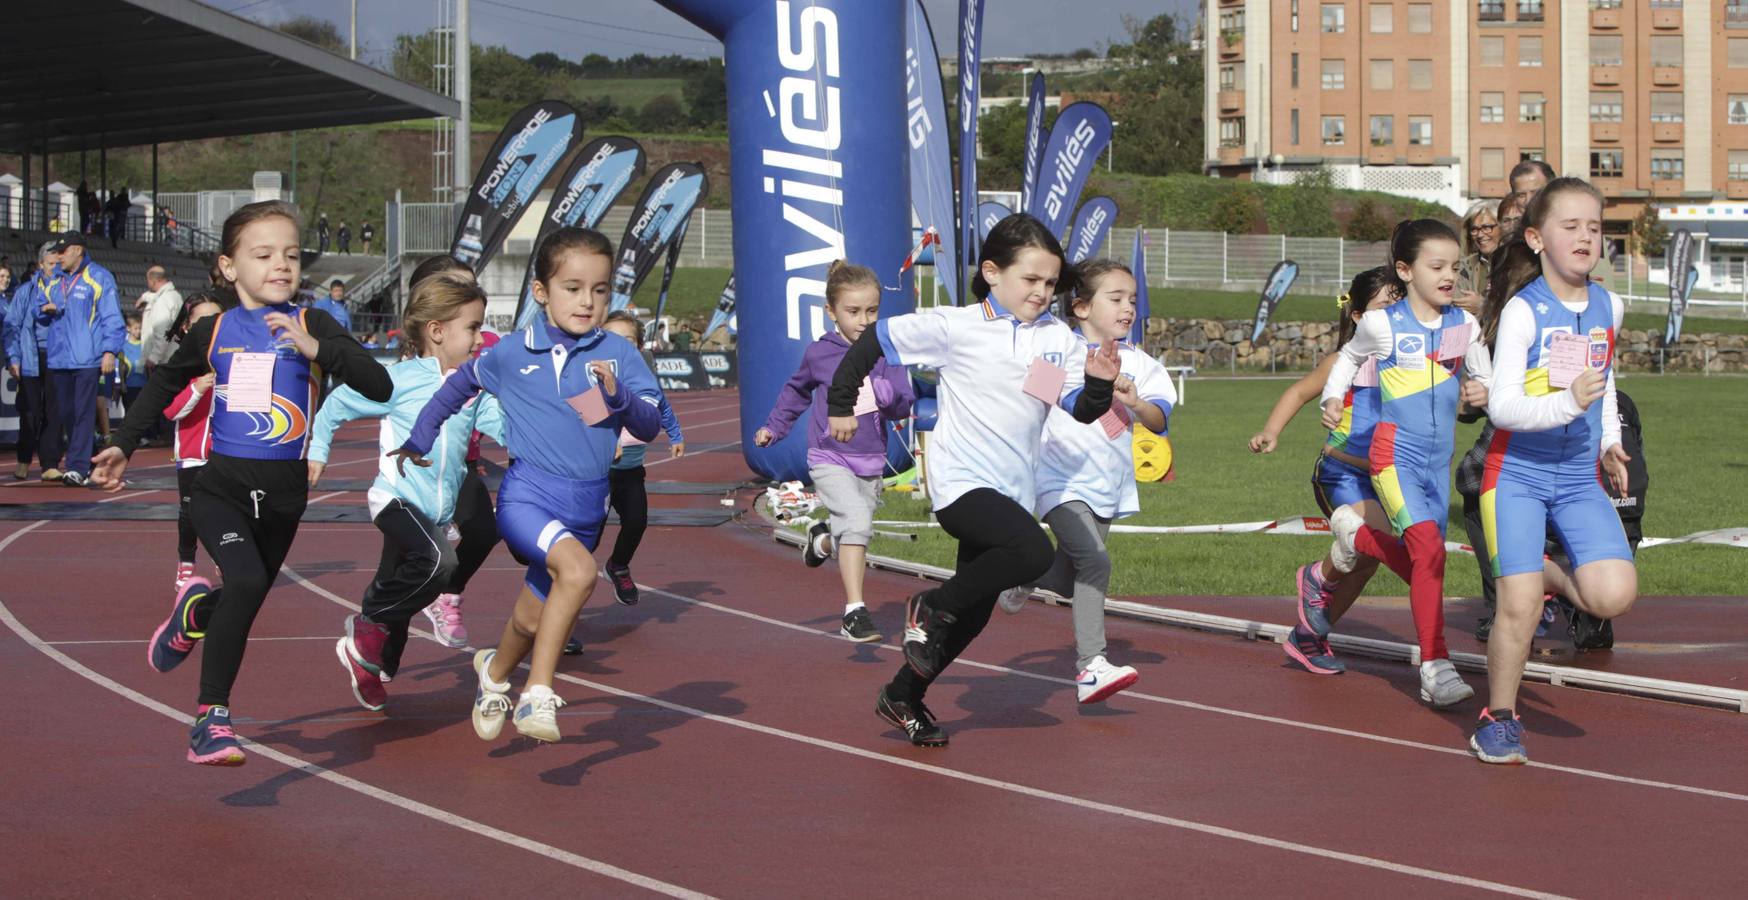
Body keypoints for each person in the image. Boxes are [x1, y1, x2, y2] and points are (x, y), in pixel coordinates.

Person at [92, 200, 393, 767]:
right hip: (219, 487)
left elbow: (379, 386)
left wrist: (318, 351)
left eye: (291, 255)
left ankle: (195, 616)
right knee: (249, 578)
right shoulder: (213, 330)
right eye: (263, 255)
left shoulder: (315, 323)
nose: (281, 264)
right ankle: (211, 720)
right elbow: (160, 389)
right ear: (229, 267)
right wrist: (123, 444)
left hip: (284, 495)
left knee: (243, 596)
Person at [826, 213, 1120, 747]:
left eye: (1051, 284)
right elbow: (874, 343)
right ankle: (929, 607)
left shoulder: (1050, 341)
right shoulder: (956, 328)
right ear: (991, 272)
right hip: (962, 486)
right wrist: (840, 403)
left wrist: (1098, 385)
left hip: (1012, 493)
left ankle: (902, 695)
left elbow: (1075, 406)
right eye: (1030, 280)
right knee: (1032, 554)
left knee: (974, 619)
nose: (1042, 292)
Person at [390, 227, 661, 745]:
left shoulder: (618, 355)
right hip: (528, 497)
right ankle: (537, 689)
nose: (587, 301)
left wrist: (618, 396)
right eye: (573, 287)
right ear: (542, 291)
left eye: (600, 290)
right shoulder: (511, 353)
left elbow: (647, 424)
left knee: (531, 618)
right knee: (579, 573)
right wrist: (420, 438)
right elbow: (457, 388)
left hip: (587, 508)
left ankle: (494, 674)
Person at [1469, 177, 1638, 765]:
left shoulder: (1609, 305)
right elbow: (1503, 407)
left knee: (1614, 594)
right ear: (1538, 239)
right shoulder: (1522, 311)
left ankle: (1538, 572)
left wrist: (1610, 442)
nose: (1585, 237)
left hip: (1576, 475)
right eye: (1571, 227)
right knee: (1517, 608)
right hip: (1516, 473)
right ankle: (1500, 717)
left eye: (1594, 227)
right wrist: (1569, 403)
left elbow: (1606, 379)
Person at [1319, 220, 1492, 710]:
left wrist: (1484, 392)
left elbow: (1486, 379)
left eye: (1455, 267)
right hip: (1393, 456)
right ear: (1405, 270)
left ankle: (1357, 535)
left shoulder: (1466, 325)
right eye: (1436, 266)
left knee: (1425, 559)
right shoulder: (1382, 323)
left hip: (1439, 464)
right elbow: (1347, 360)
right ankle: (1435, 665)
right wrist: (1332, 399)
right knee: (1428, 552)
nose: (1448, 276)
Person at [311, 273, 504, 711]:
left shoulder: (472, 387)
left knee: (409, 587)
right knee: (440, 561)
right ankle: (366, 626)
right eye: (472, 328)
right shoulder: (399, 380)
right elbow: (338, 404)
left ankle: (371, 664)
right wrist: (317, 450)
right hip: (396, 499)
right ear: (437, 331)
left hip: (437, 511)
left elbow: (507, 428)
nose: (480, 338)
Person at [998, 258, 1175, 704]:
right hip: (1056, 479)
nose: (1127, 308)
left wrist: (1136, 403)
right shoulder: (1057, 352)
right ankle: (1091, 666)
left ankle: (1023, 576)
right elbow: (1029, 405)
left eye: (1132, 300)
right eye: (1115, 299)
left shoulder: (1141, 363)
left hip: (1108, 486)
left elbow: (1159, 420)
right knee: (1096, 563)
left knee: (1068, 575)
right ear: (1080, 308)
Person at [1250, 267, 1402, 676]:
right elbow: (1299, 391)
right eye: (1385, 307)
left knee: (1367, 561)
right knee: (1377, 539)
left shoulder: (1407, 360)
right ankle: (1317, 575)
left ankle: (1309, 635)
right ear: (1357, 318)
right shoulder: (1343, 360)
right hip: (1341, 473)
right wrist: (1271, 430)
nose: (1395, 315)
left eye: (1400, 305)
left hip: (1385, 476)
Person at [754, 261, 910, 644]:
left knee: (853, 532)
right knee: (856, 520)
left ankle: (821, 541)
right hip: (828, 455)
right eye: (853, 312)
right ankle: (854, 611)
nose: (863, 321)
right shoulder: (820, 353)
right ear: (832, 311)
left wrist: (883, 391)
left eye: (872, 311)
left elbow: (902, 403)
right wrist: (775, 427)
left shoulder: (886, 351)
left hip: (871, 460)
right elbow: (796, 391)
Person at [35, 231, 124, 487]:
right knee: (66, 412)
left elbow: (112, 318)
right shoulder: (55, 281)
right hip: (59, 358)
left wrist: (109, 351)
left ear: (78, 250)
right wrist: (43, 309)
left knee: (84, 412)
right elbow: (37, 307)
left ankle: (77, 466)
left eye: (63, 251)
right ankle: (88, 458)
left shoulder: (98, 277)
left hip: (86, 358)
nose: (59, 256)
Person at [163, 291, 230, 591]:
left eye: (216, 319)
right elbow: (171, 410)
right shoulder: (182, 367)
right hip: (192, 455)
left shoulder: (231, 361)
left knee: (227, 511)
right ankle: (186, 567)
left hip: (226, 453)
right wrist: (198, 388)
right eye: (203, 320)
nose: (210, 325)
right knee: (190, 513)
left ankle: (225, 558)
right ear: (187, 327)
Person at [3, 244, 58, 480]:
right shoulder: (25, 292)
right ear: (40, 265)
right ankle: (24, 459)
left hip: (59, 358)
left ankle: (49, 464)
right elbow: (11, 327)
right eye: (50, 264)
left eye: (58, 264)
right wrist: (14, 358)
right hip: (30, 358)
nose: (55, 268)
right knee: (30, 412)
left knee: (54, 414)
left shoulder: (65, 290)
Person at [136, 265, 185, 372]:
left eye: (148, 280)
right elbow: (154, 296)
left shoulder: (162, 301)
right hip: (173, 355)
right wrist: (144, 297)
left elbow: (162, 332)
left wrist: (153, 357)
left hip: (161, 361)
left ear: (154, 281)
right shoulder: (175, 296)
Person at [1457, 200, 1500, 311]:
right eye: (1474, 229)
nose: (1480, 235)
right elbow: (1459, 303)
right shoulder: (1464, 267)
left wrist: (1484, 306)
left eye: (1486, 227)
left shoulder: (1517, 265)